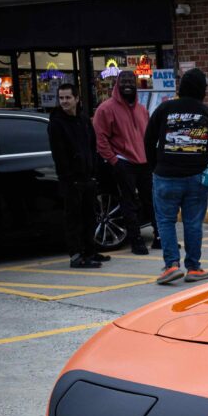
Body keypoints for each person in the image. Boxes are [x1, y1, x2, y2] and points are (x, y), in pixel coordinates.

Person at [144, 67, 208, 285]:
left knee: (165, 221)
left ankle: (171, 265)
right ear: (202, 90)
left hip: (165, 176)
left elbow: (148, 139)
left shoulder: (164, 109)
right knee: (193, 223)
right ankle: (194, 268)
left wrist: (155, 166)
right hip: (197, 177)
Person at [94, 69, 160, 255]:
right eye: (124, 81)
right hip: (123, 162)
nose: (128, 85)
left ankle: (159, 237)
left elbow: (147, 136)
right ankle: (136, 240)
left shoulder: (142, 109)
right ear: (117, 84)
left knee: (152, 201)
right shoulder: (105, 109)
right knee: (129, 202)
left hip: (144, 162)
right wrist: (114, 161)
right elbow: (100, 139)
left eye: (131, 81)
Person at [47, 82, 108, 268]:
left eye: (68, 98)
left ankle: (90, 252)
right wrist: (70, 178)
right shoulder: (56, 124)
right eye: (61, 98)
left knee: (90, 218)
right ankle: (76, 256)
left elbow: (92, 146)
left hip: (88, 178)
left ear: (77, 99)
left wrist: (93, 172)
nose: (64, 101)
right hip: (71, 181)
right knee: (74, 220)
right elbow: (59, 155)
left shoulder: (83, 120)